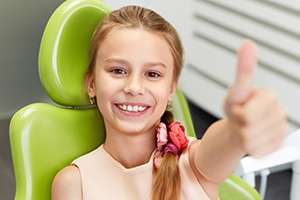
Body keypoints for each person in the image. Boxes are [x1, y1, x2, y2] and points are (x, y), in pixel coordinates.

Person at [51, 5, 286, 200]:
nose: (134, 87)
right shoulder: (73, 183)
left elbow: (220, 146)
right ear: (91, 84)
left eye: (152, 74)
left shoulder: (193, 163)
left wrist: (237, 130)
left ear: (171, 89)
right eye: (118, 70)